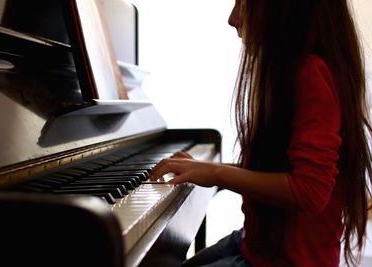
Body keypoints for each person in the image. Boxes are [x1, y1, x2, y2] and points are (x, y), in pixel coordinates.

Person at [149, 0, 372, 266]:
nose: (233, 19)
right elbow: (283, 168)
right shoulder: (297, 72)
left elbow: (311, 191)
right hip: (258, 244)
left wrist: (217, 173)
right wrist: (208, 169)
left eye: (243, 3)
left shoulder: (311, 73)